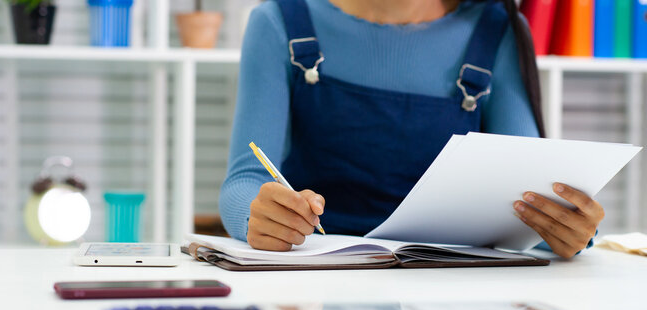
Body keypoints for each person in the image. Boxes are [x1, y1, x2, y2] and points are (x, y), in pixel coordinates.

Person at [220, 0, 604, 258]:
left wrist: (566, 231)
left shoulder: (498, 28)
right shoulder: (280, 19)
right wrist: (257, 216)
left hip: (451, 287)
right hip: (315, 271)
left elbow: (529, 194)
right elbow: (246, 179)